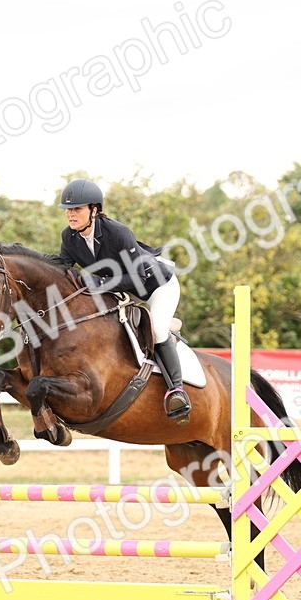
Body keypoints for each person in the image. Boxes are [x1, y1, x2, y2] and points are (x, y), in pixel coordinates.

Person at [56, 178, 192, 424]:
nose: (70, 214)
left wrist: (98, 283)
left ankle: (177, 390)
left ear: (94, 210)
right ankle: (166, 322)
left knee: (158, 330)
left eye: (76, 209)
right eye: (68, 209)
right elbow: (60, 267)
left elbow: (137, 278)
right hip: (123, 289)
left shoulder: (118, 233)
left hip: (156, 286)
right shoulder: (70, 237)